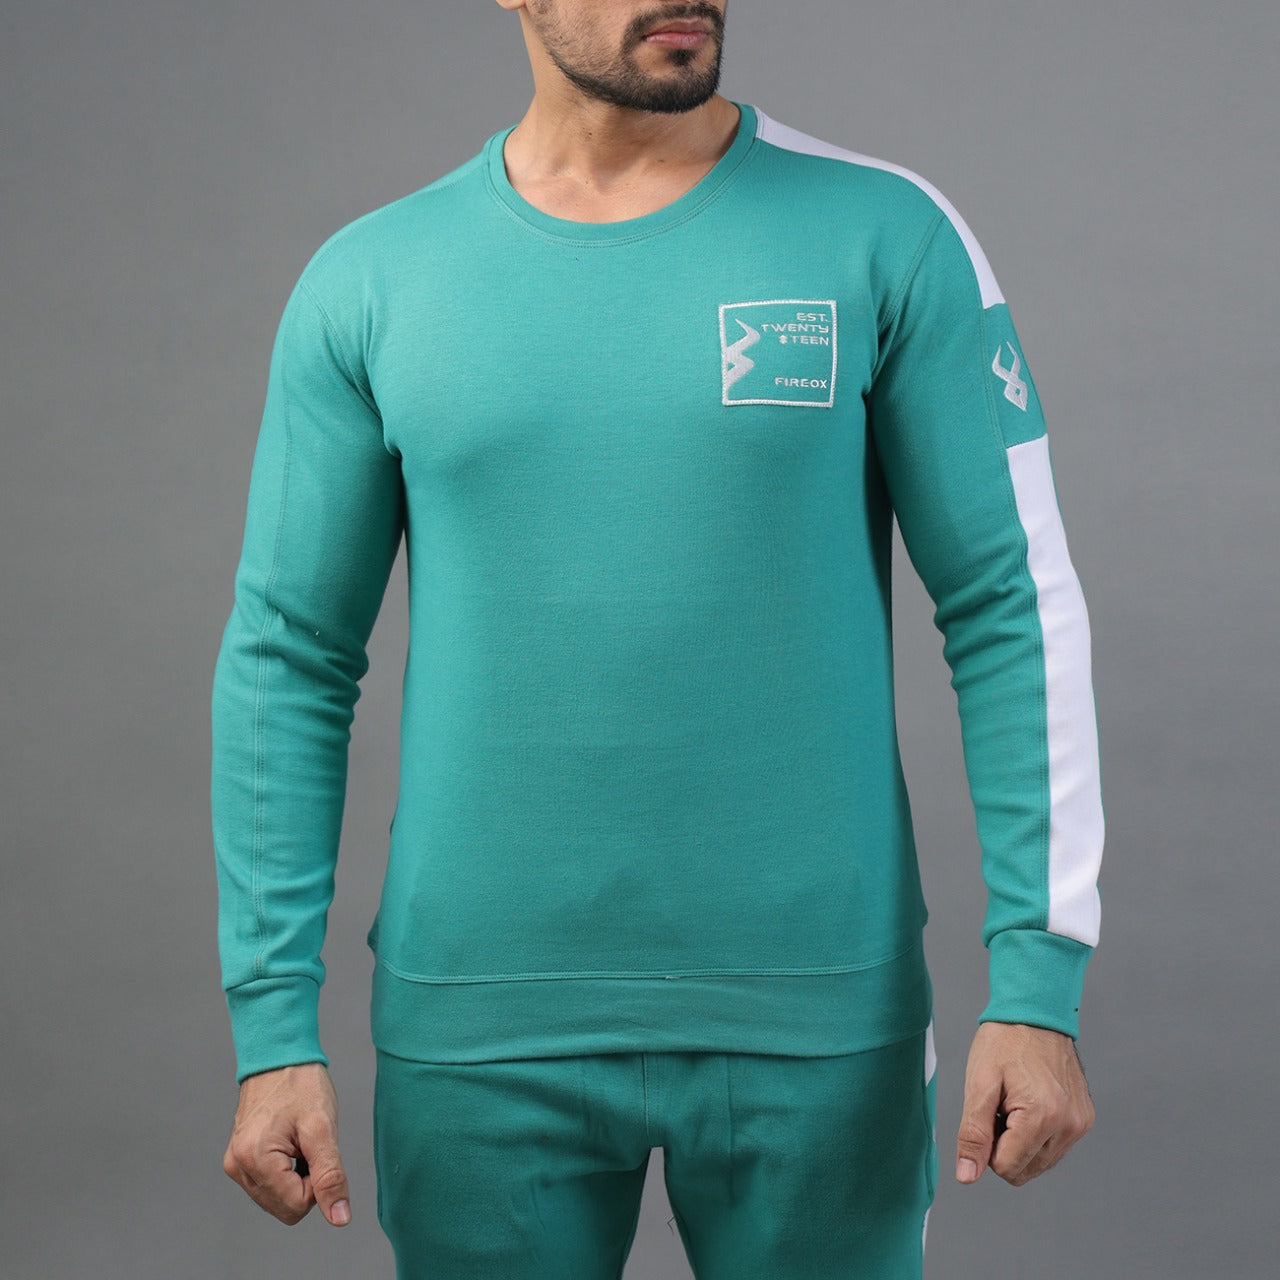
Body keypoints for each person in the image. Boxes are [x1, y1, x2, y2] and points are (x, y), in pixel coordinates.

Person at [212, 2, 1104, 1275]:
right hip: (477, 1029)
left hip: (818, 1025)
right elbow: (287, 660)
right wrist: (271, 1028)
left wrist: (1036, 980)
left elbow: (1010, 601)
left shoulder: (885, 232)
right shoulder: (372, 280)